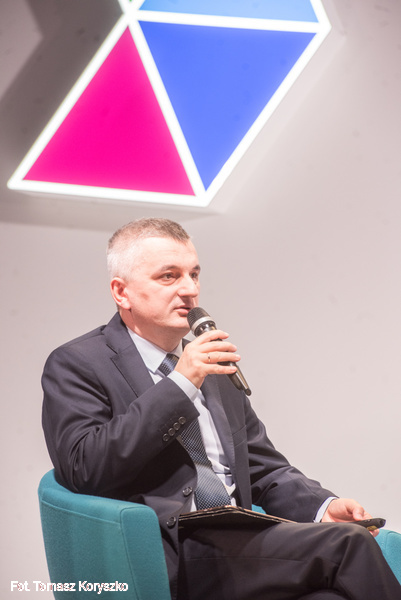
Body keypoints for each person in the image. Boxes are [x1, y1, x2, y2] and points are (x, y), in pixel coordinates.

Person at [42, 218, 401, 600]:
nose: (189, 289)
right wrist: (180, 384)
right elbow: (84, 467)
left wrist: (322, 507)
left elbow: (264, 467)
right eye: (169, 276)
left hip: (241, 537)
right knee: (346, 543)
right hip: (169, 547)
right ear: (122, 292)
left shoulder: (212, 366)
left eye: (194, 274)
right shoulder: (79, 363)